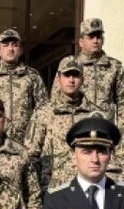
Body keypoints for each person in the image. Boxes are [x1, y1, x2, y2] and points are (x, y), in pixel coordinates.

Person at [27, 58, 99, 191]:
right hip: (53, 188)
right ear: (59, 78)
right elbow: (31, 154)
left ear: (82, 79)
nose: (71, 80)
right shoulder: (44, 113)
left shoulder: (94, 115)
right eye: (67, 75)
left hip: (88, 187)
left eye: (76, 75)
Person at [52, 18, 124, 125]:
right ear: (81, 42)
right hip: (76, 126)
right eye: (91, 37)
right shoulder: (71, 66)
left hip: (105, 128)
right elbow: (56, 97)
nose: (95, 40)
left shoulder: (114, 66)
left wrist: (123, 130)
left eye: (98, 37)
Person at [0, 28, 49, 143]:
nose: (10, 49)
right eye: (6, 45)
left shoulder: (32, 76)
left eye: (15, 45)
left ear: (20, 50)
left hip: (25, 141)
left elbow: (43, 109)